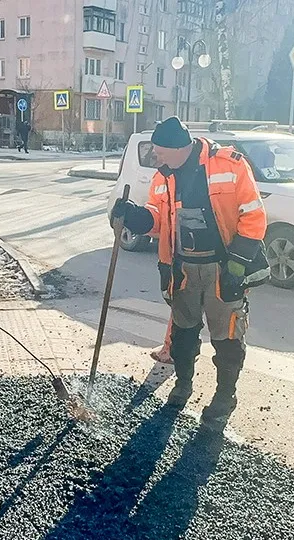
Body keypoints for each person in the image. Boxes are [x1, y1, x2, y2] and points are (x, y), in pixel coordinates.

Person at [111, 117, 268, 433]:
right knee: (183, 333)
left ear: (179, 148)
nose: (157, 159)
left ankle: (225, 396)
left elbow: (253, 217)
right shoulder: (163, 177)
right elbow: (156, 219)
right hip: (182, 267)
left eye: (160, 152)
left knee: (227, 337)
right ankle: (183, 385)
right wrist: (133, 217)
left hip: (222, 266)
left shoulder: (230, 165)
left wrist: (236, 267)